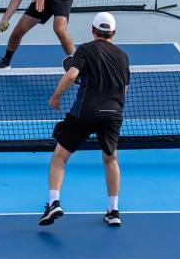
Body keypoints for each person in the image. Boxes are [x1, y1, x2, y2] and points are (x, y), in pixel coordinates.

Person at [38, 12, 130, 228]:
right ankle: (113, 210)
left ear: (93, 30)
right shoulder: (123, 56)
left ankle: (54, 203)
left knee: (60, 155)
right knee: (111, 159)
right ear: (113, 33)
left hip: (86, 111)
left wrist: (55, 97)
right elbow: (123, 88)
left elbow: (71, 75)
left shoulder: (86, 49)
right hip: (113, 113)